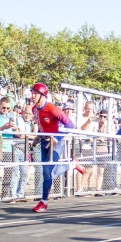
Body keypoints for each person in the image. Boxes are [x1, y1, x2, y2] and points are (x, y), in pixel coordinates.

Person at [29, 82, 84, 213]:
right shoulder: (33, 109)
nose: (32, 96)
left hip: (56, 142)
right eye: (32, 93)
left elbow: (70, 125)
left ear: (43, 96)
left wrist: (56, 138)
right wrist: (38, 137)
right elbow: (42, 126)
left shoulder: (52, 109)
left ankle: (44, 201)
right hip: (44, 141)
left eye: (35, 93)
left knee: (48, 172)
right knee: (46, 173)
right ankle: (70, 165)